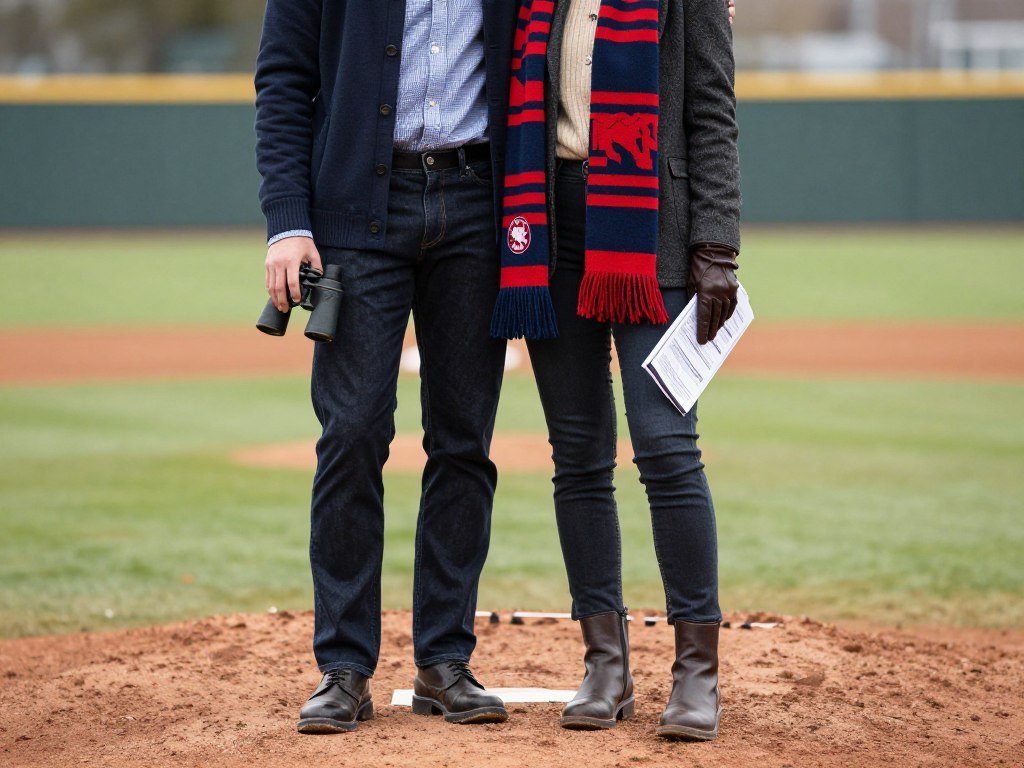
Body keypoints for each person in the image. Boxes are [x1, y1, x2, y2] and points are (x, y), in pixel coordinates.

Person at [254, 0, 518, 733]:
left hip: (477, 205)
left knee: (464, 440)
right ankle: (343, 667)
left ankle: (444, 660)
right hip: (355, 212)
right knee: (352, 433)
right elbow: (282, 77)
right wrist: (287, 220)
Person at [491, 0, 741, 741]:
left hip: (651, 232)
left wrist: (718, 245)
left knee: (666, 447)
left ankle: (696, 675)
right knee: (578, 455)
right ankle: (606, 667)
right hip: (549, 231)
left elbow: (713, 111)